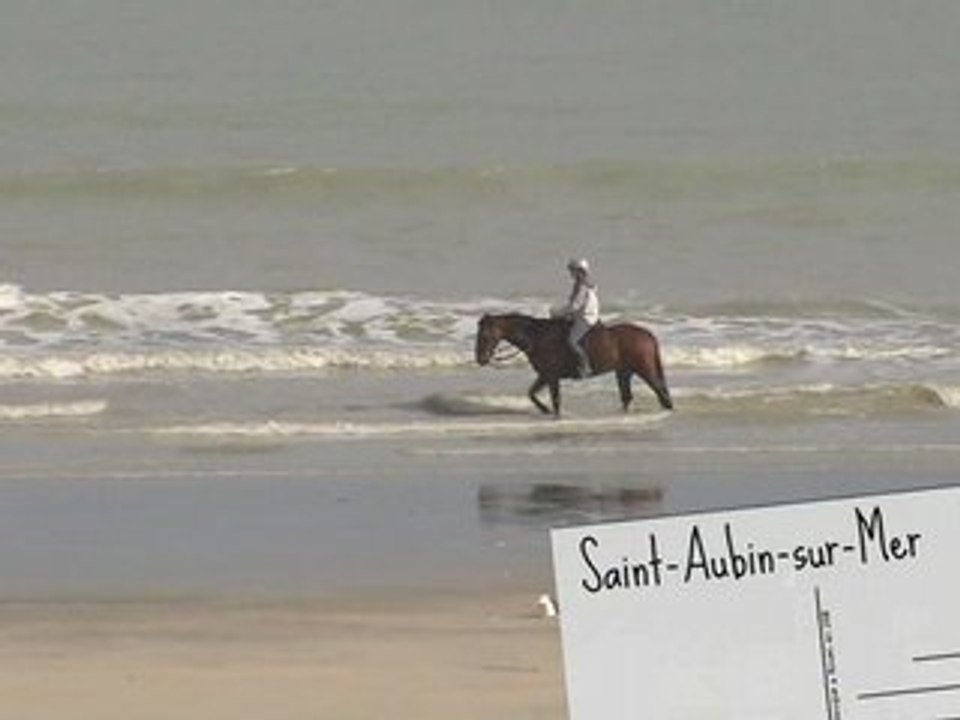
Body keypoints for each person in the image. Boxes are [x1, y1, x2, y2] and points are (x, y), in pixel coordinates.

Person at [551, 257, 600, 377]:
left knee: (572, 341)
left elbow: (575, 306)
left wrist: (558, 313)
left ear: (580, 271)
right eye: (571, 270)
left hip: (585, 318)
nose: (571, 273)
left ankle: (585, 366)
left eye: (573, 270)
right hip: (581, 314)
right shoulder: (581, 284)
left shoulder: (582, 286)